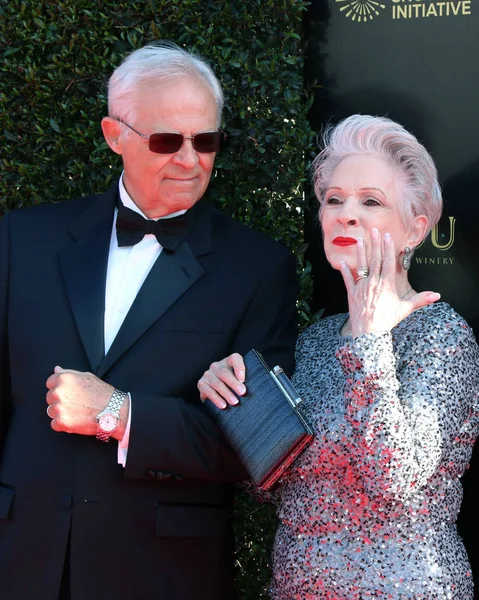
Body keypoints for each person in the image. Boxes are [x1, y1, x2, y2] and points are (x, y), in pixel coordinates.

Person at [0, 42, 298, 600]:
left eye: (206, 141)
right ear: (115, 136)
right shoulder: (22, 241)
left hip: (160, 573)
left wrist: (121, 413)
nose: (190, 159)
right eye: (167, 140)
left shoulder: (257, 267)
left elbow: (256, 445)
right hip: (21, 561)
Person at [198, 114, 479, 599]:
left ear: (415, 228)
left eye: (370, 201)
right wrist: (235, 401)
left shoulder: (442, 336)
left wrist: (370, 342)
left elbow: (394, 476)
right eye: (334, 200)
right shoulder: (316, 339)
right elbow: (271, 485)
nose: (346, 213)